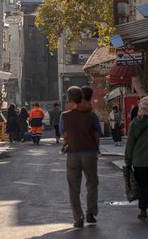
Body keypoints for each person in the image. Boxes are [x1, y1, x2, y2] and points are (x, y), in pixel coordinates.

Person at [60, 86, 100, 228]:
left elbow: (64, 135)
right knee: (92, 183)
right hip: (89, 153)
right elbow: (97, 134)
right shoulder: (91, 115)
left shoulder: (65, 116)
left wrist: (67, 142)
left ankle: (78, 218)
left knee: (73, 187)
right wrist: (96, 149)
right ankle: (91, 212)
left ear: (70, 100)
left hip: (73, 155)